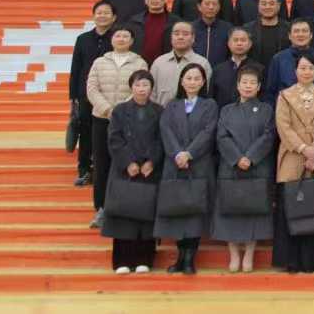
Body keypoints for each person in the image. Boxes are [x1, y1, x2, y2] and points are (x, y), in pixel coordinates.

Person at [154, 63, 219, 275]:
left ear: (203, 82)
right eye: (188, 78)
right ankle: (180, 257)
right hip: (174, 164)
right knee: (177, 211)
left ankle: (190, 258)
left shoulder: (210, 105)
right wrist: (177, 154)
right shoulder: (172, 105)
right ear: (181, 81)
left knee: (194, 213)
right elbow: (166, 130)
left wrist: (189, 153)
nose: (192, 82)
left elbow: (208, 132)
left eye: (197, 78)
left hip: (198, 164)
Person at [273, 52, 314, 273]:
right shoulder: (285, 95)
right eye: (302, 68)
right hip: (292, 156)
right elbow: (283, 126)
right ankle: (291, 260)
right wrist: (303, 148)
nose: (306, 72)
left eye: (310, 68)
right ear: (295, 71)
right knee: (291, 208)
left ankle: (313, 260)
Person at [212, 64, 274, 273]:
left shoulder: (266, 109)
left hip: (257, 166)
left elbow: (268, 136)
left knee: (253, 210)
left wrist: (251, 157)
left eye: (252, 83)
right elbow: (222, 137)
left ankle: (249, 253)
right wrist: (237, 158)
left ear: (259, 87)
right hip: (231, 166)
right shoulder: (226, 110)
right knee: (230, 209)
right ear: (237, 86)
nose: (248, 86)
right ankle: (233, 253)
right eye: (244, 82)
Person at [101, 70, 162, 273]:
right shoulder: (120, 111)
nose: (141, 89)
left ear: (151, 88)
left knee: (145, 216)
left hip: (148, 171)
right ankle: (122, 261)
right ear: (131, 87)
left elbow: (161, 140)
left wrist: (151, 161)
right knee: (123, 216)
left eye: (145, 85)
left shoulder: (159, 111)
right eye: (137, 85)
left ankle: (145, 259)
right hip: (124, 171)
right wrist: (128, 162)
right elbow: (114, 138)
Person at [85, 25, 145, 228]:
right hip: (101, 119)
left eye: (125, 35)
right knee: (101, 164)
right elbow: (92, 89)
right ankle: (101, 209)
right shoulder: (100, 62)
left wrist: (119, 111)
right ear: (112, 39)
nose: (121, 38)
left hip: (128, 120)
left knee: (125, 162)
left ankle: (122, 209)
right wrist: (107, 109)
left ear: (132, 40)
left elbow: (141, 87)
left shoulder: (139, 62)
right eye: (118, 35)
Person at [70, 0, 117, 186]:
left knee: (107, 131)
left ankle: (105, 170)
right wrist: (73, 97)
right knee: (85, 131)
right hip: (85, 94)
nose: (102, 16)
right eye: (99, 12)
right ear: (93, 16)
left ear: (114, 17)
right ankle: (84, 169)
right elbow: (76, 68)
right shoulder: (82, 39)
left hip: (109, 94)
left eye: (107, 13)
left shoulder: (117, 38)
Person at [263, 19, 314, 102]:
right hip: (284, 106)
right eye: (296, 31)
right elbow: (270, 92)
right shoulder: (278, 59)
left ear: (311, 35)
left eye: (304, 31)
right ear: (289, 36)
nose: (300, 34)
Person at [150, 21, 212, 107]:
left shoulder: (202, 63)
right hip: (161, 112)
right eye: (176, 34)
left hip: (192, 113)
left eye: (185, 34)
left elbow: (205, 92)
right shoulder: (159, 62)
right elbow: (152, 93)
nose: (180, 37)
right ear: (171, 37)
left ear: (193, 38)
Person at [129, 0, 179, 66]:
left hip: (167, 66)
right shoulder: (134, 22)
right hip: (139, 66)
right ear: (145, 0)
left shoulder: (176, 22)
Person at [209, 28, 256, 107]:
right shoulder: (218, 70)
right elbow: (211, 98)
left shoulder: (258, 69)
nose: (239, 43)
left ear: (250, 44)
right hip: (222, 113)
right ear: (228, 43)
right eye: (235, 40)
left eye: (243, 40)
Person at [242, 0, 290, 67]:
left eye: (271, 4)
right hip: (255, 72)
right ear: (258, 6)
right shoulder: (247, 29)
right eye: (264, 4)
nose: (267, 7)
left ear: (278, 6)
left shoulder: (289, 28)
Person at [190, 0, 234, 67]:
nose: (211, 7)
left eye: (214, 4)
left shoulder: (228, 28)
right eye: (207, 4)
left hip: (220, 71)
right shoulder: (190, 28)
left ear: (219, 7)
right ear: (199, 6)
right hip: (194, 71)